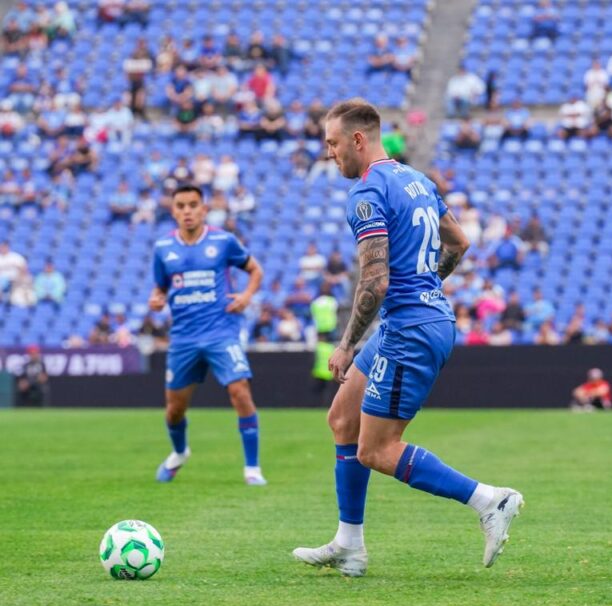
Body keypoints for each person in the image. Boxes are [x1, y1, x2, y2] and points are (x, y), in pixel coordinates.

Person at [292, 100, 523, 578]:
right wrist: (429, 285)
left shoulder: (366, 192)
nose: (329, 153)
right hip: (417, 318)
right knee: (342, 418)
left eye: (333, 143)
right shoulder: (418, 181)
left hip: (410, 328)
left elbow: (374, 282)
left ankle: (489, 500)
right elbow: (458, 242)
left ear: (358, 139)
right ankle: (349, 545)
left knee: (376, 450)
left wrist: (345, 344)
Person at [148, 184, 267, 486]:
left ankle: (252, 468)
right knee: (174, 410)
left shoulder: (223, 241)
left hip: (221, 331)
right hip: (184, 337)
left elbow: (255, 270)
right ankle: (179, 453)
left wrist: (246, 296)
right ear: (173, 211)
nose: (187, 211)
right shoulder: (163, 249)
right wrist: (157, 297)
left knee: (240, 392)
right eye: (181, 206)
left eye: (192, 205)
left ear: (203, 209)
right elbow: (161, 286)